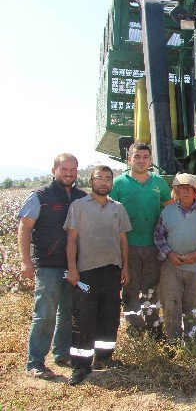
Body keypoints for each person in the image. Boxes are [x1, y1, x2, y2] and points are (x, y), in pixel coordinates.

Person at [17, 153, 87, 379]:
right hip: (48, 264)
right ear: (54, 171)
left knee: (66, 312)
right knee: (45, 313)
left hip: (73, 265)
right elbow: (24, 228)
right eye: (64, 169)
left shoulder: (81, 197)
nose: (69, 174)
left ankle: (62, 353)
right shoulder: (40, 196)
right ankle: (35, 362)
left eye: (73, 170)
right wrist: (26, 261)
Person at [64, 165, 132, 385]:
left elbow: (123, 241)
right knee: (84, 318)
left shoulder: (118, 208)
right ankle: (81, 365)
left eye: (108, 178)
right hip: (86, 271)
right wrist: (72, 268)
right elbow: (72, 239)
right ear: (91, 181)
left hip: (112, 270)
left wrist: (125, 267)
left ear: (112, 183)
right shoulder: (79, 206)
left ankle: (103, 358)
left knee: (109, 316)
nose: (103, 182)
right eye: (99, 178)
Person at [109, 142, 172, 336]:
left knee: (152, 289)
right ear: (129, 159)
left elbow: (170, 208)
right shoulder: (119, 183)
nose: (141, 161)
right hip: (128, 246)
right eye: (137, 157)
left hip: (153, 246)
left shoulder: (158, 183)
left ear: (150, 160)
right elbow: (109, 212)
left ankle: (154, 329)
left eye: (145, 157)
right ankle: (135, 328)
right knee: (130, 289)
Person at [154, 173, 196, 339]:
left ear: (195, 191)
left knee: (193, 306)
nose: (185, 192)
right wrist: (169, 254)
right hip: (171, 267)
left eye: (189, 188)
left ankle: (191, 341)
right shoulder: (167, 211)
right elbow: (159, 235)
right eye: (181, 189)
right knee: (171, 305)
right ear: (176, 192)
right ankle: (173, 341)